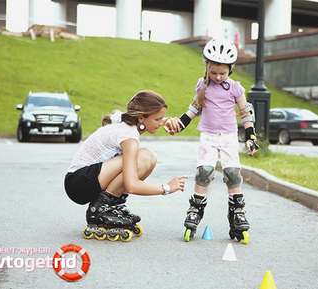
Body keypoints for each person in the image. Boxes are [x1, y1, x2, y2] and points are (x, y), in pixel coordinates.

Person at [164, 38, 259, 243]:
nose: (217, 77)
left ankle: (237, 214)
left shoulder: (235, 88)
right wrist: (181, 123)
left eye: (222, 73)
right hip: (208, 135)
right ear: (207, 66)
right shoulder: (203, 84)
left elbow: (245, 112)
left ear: (231, 69)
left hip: (228, 137)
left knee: (233, 174)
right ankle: (195, 210)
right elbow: (195, 108)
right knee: (204, 171)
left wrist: (250, 136)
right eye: (213, 72)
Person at [64, 90, 188, 241]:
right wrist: (167, 188)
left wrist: (166, 120)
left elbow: (147, 122)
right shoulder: (128, 136)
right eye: (158, 119)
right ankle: (101, 210)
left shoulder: (129, 123)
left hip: (87, 179)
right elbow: (132, 185)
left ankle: (112, 205)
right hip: (79, 182)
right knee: (143, 157)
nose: (161, 123)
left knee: (149, 157)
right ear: (141, 117)